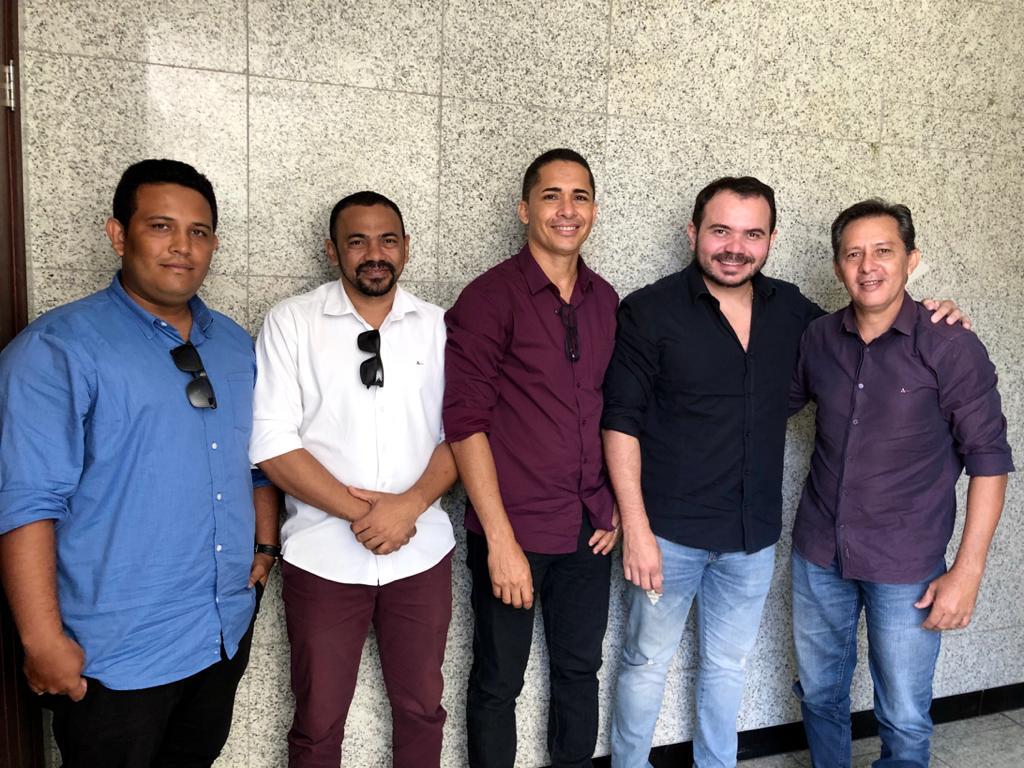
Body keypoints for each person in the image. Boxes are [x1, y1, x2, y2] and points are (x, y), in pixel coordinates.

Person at [601, 177, 965, 768]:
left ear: (770, 240)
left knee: (727, 667)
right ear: (693, 233)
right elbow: (620, 421)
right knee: (646, 662)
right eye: (721, 231)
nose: (735, 247)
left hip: (752, 537)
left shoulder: (794, 313)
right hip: (667, 532)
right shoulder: (649, 311)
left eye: (752, 234)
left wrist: (932, 314)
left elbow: (869, 323)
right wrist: (636, 529)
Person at [0, 158, 278, 768]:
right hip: (114, 655)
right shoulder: (57, 349)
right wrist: (42, 640)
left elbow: (256, 463)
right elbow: (26, 502)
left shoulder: (234, 344)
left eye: (198, 231)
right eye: (160, 226)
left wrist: (264, 550)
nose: (182, 246)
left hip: (220, 632)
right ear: (118, 234)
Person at [789, 199, 1013, 768]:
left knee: (904, 713)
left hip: (906, 562)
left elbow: (989, 461)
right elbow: (762, 403)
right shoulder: (818, 338)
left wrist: (967, 572)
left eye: (884, 251)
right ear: (838, 266)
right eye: (853, 254)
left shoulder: (950, 344)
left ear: (911, 260)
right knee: (819, 695)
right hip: (819, 551)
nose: (869, 266)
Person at [249, 191, 457, 768]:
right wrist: (368, 515)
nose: (374, 254)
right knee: (317, 722)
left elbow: (464, 434)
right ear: (332, 250)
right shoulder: (292, 322)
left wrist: (409, 507)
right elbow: (272, 443)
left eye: (387, 240)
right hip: (321, 556)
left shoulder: (439, 327)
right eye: (357, 241)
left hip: (420, 553)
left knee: (422, 710)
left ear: (406, 247)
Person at [444, 148, 620, 768]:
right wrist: (499, 541)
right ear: (524, 210)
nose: (566, 210)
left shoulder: (605, 300)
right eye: (551, 196)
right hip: (511, 530)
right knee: (499, 681)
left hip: (587, 529)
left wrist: (613, 505)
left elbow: (616, 411)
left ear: (593, 209)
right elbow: (464, 424)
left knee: (580, 671)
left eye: (579, 196)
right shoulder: (489, 297)